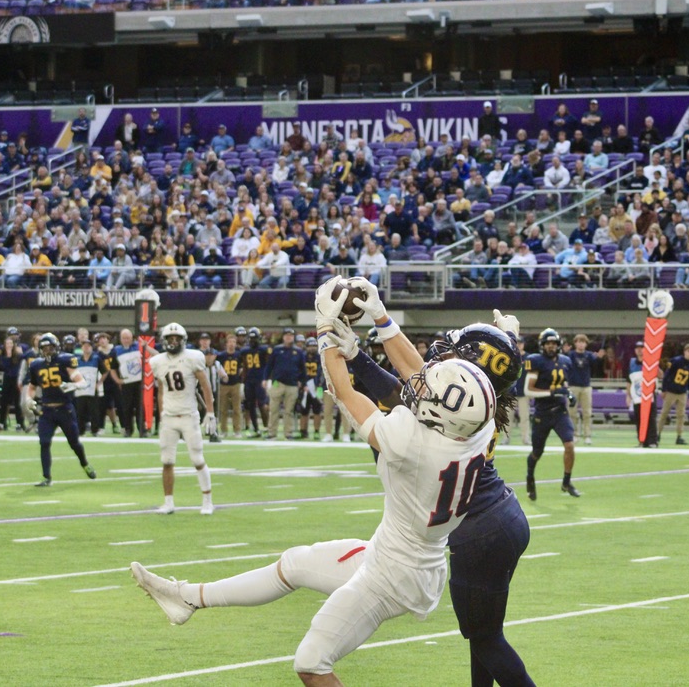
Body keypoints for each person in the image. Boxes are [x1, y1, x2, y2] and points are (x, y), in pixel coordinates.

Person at [130, 289, 497, 687]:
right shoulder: (478, 427)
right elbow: (416, 379)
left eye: (431, 393)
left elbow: (345, 391)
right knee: (293, 563)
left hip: (394, 574)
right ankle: (187, 597)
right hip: (403, 555)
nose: (423, 386)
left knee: (311, 661)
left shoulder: (411, 441)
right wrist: (380, 319)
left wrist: (326, 333)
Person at [321, 297, 534, 687]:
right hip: (502, 515)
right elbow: (499, 366)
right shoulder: (485, 403)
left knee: (486, 639)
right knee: (482, 632)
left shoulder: (444, 417)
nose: (440, 361)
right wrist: (509, 337)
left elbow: (398, 394)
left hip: (478, 531)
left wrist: (355, 355)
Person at [149, 323, 216, 516]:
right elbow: (161, 390)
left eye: (176, 339)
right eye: (170, 339)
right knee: (167, 460)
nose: (173, 342)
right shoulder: (158, 361)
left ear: (183, 340)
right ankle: (168, 502)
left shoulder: (192, 358)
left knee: (197, 459)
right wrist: (161, 415)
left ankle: (207, 501)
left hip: (188, 416)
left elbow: (205, 385)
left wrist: (210, 413)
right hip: (169, 417)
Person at [23, 333, 96, 487]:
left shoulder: (65, 361)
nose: (48, 351)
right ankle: (47, 477)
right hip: (47, 411)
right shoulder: (36, 364)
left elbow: (81, 380)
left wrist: (74, 385)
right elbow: (31, 387)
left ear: (56, 347)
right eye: (45, 348)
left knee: (74, 443)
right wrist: (28, 399)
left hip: (65, 409)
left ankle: (84, 463)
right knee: (44, 442)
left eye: (50, 347)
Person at [524, 327, 580, 499]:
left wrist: (568, 394)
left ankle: (566, 481)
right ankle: (530, 477)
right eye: (548, 343)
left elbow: (563, 386)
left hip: (560, 412)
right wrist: (552, 392)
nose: (551, 346)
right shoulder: (536, 361)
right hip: (543, 413)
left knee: (569, 445)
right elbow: (528, 390)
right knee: (537, 452)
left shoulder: (565, 361)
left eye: (554, 343)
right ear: (542, 345)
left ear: (558, 345)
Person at [264, 327, 305, 439]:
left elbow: (303, 369)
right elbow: (269, 366)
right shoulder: (276, 350)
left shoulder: (299, 352)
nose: (288, 337)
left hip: (292, 384)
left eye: (291, 335)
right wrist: (265, 379)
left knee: (289, 411)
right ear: (283, 337)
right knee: (273, 409)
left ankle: (288, 433)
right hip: (278, 383)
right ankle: (272, 433)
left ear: (293, 337)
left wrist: (302, 382)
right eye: (286, 335)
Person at [658, 343, 689, 445]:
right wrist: (664, 389)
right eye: (688, 351)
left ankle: (679, 437)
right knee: (664, 413)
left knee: (681, 415)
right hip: (671, 391)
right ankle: (657, 434)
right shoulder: (676, 361)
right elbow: (666, 375)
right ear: (684, 352)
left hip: (682, 393)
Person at [567, 333, 602, 445]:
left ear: (586, 344)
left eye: (583, 342)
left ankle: (587, 435)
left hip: (586, 387)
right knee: (572, 412)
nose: (581, 344)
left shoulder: (590, 355)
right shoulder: (571, 355)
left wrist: (599, 358)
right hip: (573, 386)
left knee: (587, 412)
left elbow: (597, 368)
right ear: (575, 343)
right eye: (578, 342)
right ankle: (574, 434)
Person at [111, 328, 146, 438]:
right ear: (120, 339)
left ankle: (142, 430)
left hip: (140, 382)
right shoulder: (116, 350)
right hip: (126, 383)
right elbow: (112, 368)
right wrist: (117, 380)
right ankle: (128, 429)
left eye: (128, 338)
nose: (126, 340)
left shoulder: (139, 346)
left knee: (140, 407)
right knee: (127, 407)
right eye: (124, 338)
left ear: (132, 338)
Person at [241, 327, 271, 437]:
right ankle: (256, 429)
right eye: (251, 338)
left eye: (254, 338)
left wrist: (267, 378)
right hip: (249, 380)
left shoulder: (264, 349)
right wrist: (243, 381)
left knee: (262, 404)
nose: (253, 341)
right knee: (250, 405)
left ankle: (266, 427)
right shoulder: (245, 351)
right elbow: (244, 366)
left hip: (260, 380)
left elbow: (268, 364)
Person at [217, 332, 244, 438]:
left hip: (235, 383)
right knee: (223, 409)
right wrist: (223, 376)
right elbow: (218, 367)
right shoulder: (221, 355)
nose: (232, 344)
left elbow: (241, 368)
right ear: (226, 344)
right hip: (224, 384)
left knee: (237, 409)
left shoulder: (238, 354)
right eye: (230, 342)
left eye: (234, 342)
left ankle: (237, 430)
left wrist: (237, 376)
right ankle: (223, 430)